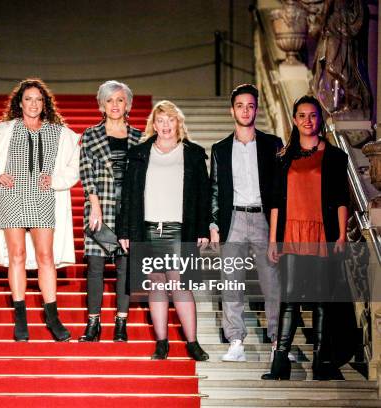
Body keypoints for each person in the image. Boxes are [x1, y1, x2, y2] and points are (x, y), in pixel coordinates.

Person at [0, 78, 80, 342]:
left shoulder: (59, 132)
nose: (34, 104)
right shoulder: (4, 130)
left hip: (44, 198)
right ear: (20, 102)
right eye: (28, 99)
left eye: (38, 99)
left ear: (45, 103)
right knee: (17, 255)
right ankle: (21, 317)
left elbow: (75, 163)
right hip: (12, 196)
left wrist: (57, 181)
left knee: (46, 256)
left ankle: (52, 316)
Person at [263, 95, 349, 380]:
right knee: (289, 299)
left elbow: (340, 199)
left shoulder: (335, 156)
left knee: (322, 299)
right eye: (302, 115)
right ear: (295, 119)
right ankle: (280, 363)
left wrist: (340, 237)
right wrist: (273, 240)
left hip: (322, 232)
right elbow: (275, 202)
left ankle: (321, 363)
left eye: (312, 115)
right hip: (291, 233)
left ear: (319, 119)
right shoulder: (283, 157)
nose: (307, 121)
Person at [117, 100, 209, 361]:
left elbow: (203, 194)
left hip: (179, 229)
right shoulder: (139, 154)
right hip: (147, 229)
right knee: (156, 285)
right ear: (154, 125)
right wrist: (125, 231)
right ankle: (161, 343)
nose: (166, 125)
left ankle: (192, 343)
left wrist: (203, 227)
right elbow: (129, 196)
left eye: (170, 119)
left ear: (178, 122)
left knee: (181, 285)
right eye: (161, 120)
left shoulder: (192, 154)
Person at [209, 84, 284, 362]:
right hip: (234, 220)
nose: (245, 110)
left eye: (250, 106)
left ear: (256, 109)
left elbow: (279, 189)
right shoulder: (220, 149)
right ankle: (236, 341)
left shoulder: (272, 144)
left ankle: (278, 342)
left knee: (272, 282)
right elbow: (215, 189)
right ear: (232, 110)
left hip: (265, 219)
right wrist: (214, 224)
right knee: (231, 282)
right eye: (240, 105)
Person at [78, 80, 142, 342]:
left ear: (127, 104)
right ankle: (93, 325)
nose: (114, 105)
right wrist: (94, 205)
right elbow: (85, 171)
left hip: (128, 210)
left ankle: (120, 324)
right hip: (99, 207)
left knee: (125, 268)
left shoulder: (140, 136)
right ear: (101, 105)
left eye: (119, 100)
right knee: (95, 267)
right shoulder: (91, 135)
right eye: (109, 100)